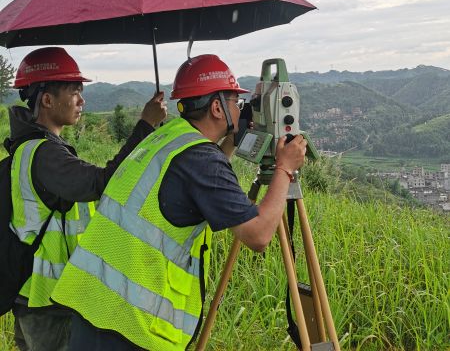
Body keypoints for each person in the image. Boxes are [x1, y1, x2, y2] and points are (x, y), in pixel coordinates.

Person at [51, 53, 307, 351]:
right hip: (133, 326)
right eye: (235, 102)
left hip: (94, 305)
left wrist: (233, 140)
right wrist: (284, 168)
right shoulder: (202, 161)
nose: (240, 109)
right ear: (216, 107)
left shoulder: (169, 137)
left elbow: (197, 182)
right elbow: (260, 234)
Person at [6, 46, 167, 351]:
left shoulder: (30, 146)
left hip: (34, 292)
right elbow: (102, 183)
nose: (82, 100)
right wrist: (145, 126)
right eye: (74, 91)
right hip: (47, 298)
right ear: (48, 99)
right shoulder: (44, 153)